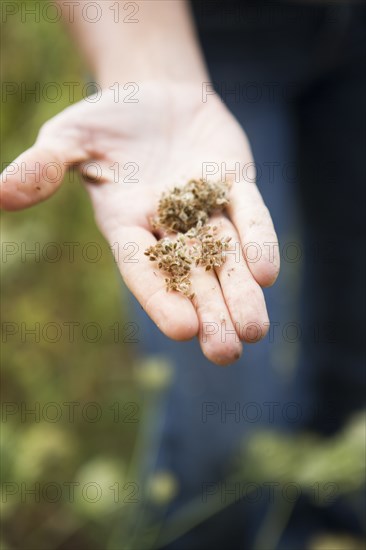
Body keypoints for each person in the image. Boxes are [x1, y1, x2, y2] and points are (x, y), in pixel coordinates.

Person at [1, 1, 365, 548]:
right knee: (222, 436)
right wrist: (147, 71)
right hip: (205, 33)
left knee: (354, 371)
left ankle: (329, 526)